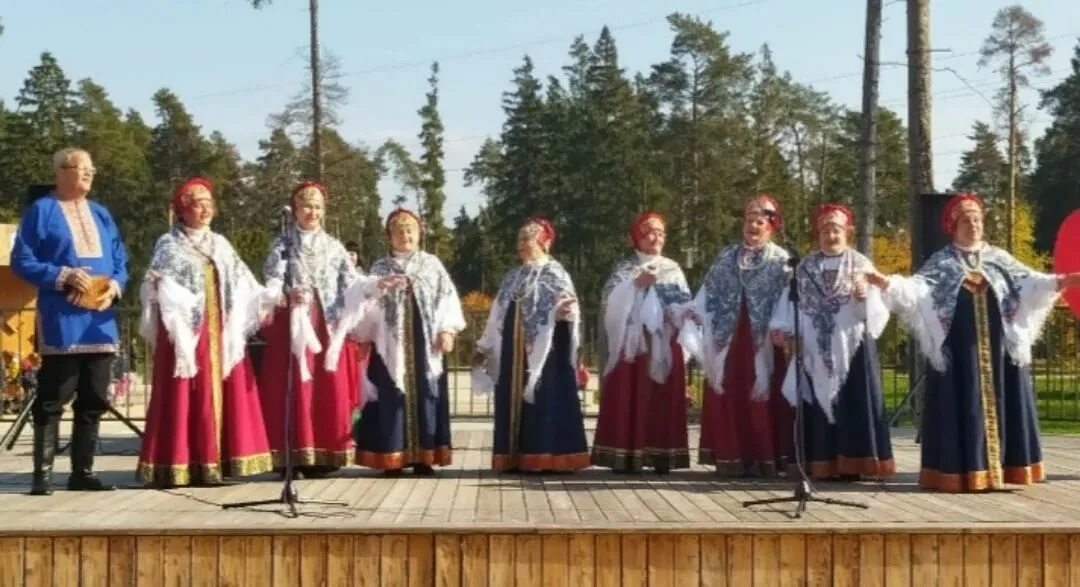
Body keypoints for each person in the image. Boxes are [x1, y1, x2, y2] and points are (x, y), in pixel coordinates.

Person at [868, 193, 1080, 492]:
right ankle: (960, 472)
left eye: (978, 219)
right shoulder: (942, 263)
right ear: (953, 226)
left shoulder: (998, 258)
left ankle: (1009, 469)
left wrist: (1062, 280)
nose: (974, 225)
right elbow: (917, 290)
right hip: (959, 352)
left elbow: (1030, 282)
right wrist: (888, 283)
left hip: (1000, 351)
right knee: (963, 403)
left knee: (1005, 400)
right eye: (966, 220)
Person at [135, 177, 277, 488]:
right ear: (182, 209)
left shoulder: (221, 244)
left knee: (226, 391)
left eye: (209, 203)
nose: (205, 209)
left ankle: (222, 460)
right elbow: (156, 284)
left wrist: (273, 295)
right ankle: (183, 461)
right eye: (198, 203)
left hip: (221, 333)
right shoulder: (168, 245)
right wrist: (158, 285)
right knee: (187, 394)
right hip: (188, 336)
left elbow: (245, 282)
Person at [11, 147, 129, 495]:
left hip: (100, 320)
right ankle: (42, 475)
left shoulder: (101, 214)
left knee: (94, 396)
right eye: (82, 168)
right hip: (62, 318)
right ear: (61, 171)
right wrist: (62, 274)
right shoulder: (41, 211)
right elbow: (22, 260)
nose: (90, 174)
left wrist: (116, 286)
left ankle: (83, 472)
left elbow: (121, 259)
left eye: (92, 168)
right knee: (53, 396)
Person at [258, 182, 387, 478]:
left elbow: (351, 282)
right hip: (294, 325)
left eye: (317, 207)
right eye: (306, 206)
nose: (312, 212)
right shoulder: (282, 244)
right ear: (295, 210)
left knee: (326, 390)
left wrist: (374, 285)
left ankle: (325, 454)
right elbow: (273, 280)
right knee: (294, 389)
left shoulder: (334, 246)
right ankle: (293, 454)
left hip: (327, 326)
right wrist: (285, 294)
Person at [769, 204, 894, 480]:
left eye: (836, 229)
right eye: (825, 229)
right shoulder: (805, 267)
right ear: (818, 233)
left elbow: (877, 308)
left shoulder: (860, 262)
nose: (831, 235)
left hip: (853, 345)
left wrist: (866, 296)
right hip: (814, 345)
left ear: (847, 231)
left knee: (854, 401)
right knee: (816, 404)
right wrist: (781, 327)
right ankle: (821, 462)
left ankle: (856, 463)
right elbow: (789, 303)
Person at [351, 208, 463, 475]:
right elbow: (367, 304)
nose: (405, 235)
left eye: (410, 229)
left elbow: (447, 298)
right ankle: (392, 455)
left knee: (426, 394)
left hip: (424, 344)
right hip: (389, 346)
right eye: (399, 230)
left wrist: (448, 329)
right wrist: (364, 335)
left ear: (419, 233)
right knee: (390, 395)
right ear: (389, 236)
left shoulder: (432, 265)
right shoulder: (380, 267)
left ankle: (424, 456)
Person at [474, 217, 589, 472]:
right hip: (512, 352)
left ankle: (547, 456)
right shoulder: (513, 277)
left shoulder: (556, 273)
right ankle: (513, 456)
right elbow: (497, 313)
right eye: (520, 239)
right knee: (512, 396)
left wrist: (563, 310)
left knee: (544, 397)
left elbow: (569, 308)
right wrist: (484, 346)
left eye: (527, 239)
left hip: (546, 352)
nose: (522, 244)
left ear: (544, 242)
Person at [692, 194, 793, 476]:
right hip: (731, 337)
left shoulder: (781, 260)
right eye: (748, 219)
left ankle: (766, 458)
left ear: (771, 226)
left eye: (759, 220)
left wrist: (781, 327)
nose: (753, 225)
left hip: (764, 339)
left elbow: (788, 298)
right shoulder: (727, 256)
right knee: (731, 391)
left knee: (763, 395)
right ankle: (732, 457)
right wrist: (695, 311)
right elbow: (709, 291)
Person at [591, 212, 693, 474]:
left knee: (662, 399)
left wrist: (682, 312)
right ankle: (625, 455)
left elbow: (683, 300)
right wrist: (635, 285)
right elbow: (609, 302)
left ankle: (662, 456)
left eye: (660, 232)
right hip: (632, 348)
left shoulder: (672, 268)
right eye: (649, 231)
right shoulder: (625, 268)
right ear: (636, 236)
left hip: (665, 342)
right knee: (631, 394)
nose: (656, 237)